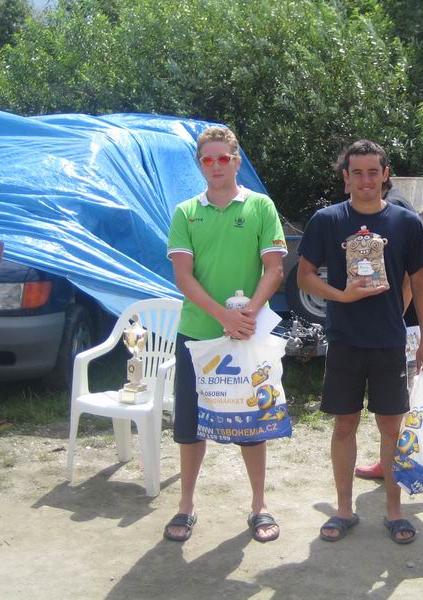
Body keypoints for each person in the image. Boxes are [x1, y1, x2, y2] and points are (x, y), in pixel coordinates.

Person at [297, 139, 423, 544]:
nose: (365, 180)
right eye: (357, 173)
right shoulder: (327, 220)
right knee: (345, 424)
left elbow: (420, 284)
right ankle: (344, 510)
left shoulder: (406, 223)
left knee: (391, 427)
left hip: (389, 340)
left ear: (385, 175)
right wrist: (341, 296)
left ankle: (394, 511)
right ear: (346, 178)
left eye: (373, 172)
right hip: (344, 339)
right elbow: (304, 276)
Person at [164, 126, 287, 543]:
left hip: (247, 334)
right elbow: (183, 277)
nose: (215, 166)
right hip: (198, 336)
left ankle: (259, 506)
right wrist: (223, 317)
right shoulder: (185, 211)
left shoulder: (260, 206)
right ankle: (186, 506)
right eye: (207, 159)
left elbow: (274, 268)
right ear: (200, 165)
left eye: (223, 158)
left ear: (236, 161)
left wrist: (246, 315)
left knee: (251, 422)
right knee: (190, 425)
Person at [354, 179, 423, 481]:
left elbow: (411, 279)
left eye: (368, 173)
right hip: (411, 317)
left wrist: (391, 320)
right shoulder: (384, 206)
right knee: (405, 392)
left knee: (403, 394)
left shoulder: (394, 208)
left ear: (383, 175)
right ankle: (398, 457)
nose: (359, 181)